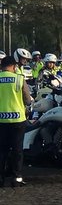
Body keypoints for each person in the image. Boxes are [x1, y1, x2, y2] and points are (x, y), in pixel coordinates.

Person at [0, 56, 33, 187]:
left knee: (2, 149)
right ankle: (16, 177)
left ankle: (1, 177)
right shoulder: (19, 78)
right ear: (14, 66)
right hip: (18, 120)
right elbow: (27, 100)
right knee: (17, 150)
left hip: (1, 120)